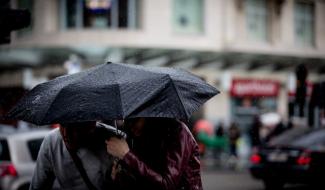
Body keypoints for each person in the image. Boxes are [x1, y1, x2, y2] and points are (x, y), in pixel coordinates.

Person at [106, 118, 203, 190]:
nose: (131, 127)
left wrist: (126, 155)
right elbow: (143, 177)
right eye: (127, 120)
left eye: (135, 120)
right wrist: (117, 175)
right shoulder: (141, 135)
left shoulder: (177, 131)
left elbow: (168, 184)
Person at [30, 121, 114, 190]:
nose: (65, 133)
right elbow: (37, 185)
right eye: (62, 125)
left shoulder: (112, 139)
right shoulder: (52, 141)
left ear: (90, 125)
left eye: (72, 127)